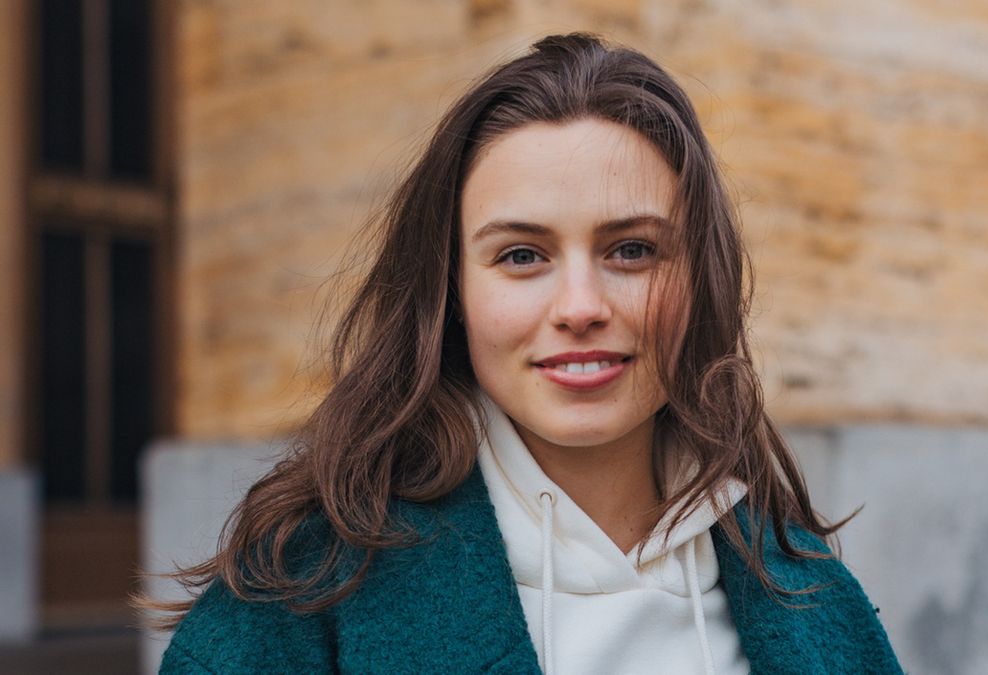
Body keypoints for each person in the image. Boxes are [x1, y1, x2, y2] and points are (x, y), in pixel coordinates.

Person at [151, 32, 903, 674]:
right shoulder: (301, 591)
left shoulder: (810, 597)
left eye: (632, 250)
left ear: (699, 280)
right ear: (453, 293)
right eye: (521, 255)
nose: (580, 306)